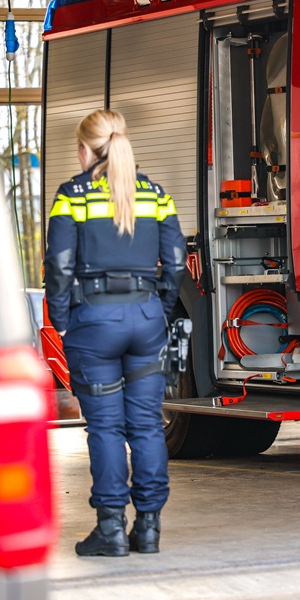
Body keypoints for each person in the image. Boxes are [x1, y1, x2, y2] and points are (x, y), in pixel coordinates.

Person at [44, 109, 186, 557]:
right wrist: (158, 311)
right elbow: (177, 263)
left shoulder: (72, 196)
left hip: (94, 322)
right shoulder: (157, 194)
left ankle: (110, 530)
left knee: (105, 428)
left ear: (85, 150)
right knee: (145, 425)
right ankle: (148, 529)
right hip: (146, 319)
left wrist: (63, 320)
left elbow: (59, 266)